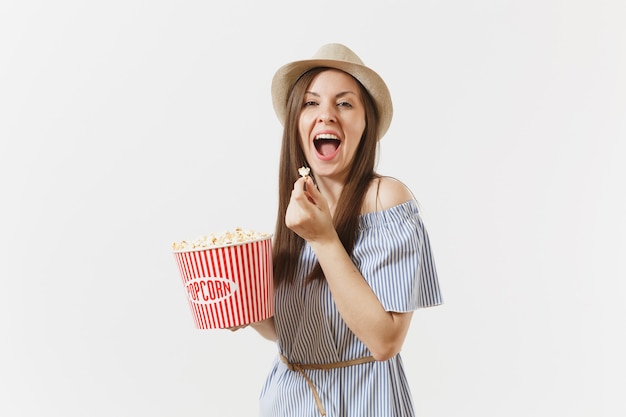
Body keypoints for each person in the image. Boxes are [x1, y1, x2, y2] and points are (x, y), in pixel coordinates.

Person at [248, 43, 443, 417]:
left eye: (344, 103)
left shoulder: (386, 201)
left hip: (365, 401)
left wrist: (323, 239)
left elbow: (385, 341)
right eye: (310, 103)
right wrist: (245, 311)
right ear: (296, 123)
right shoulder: (300, 207)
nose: (326, 115)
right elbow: (291, 330)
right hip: (289, 400)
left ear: (365, 123)